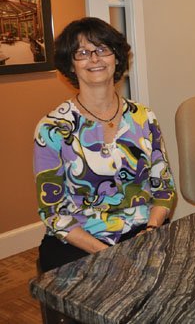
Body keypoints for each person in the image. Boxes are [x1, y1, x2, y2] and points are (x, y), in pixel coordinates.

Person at [33, 17, 175, 272]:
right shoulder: (52, 128)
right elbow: (53, 211)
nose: (94, 59)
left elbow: (163, 188)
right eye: (82, 53)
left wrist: (153, 228)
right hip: (79, 238)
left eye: (102, 49)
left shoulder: (144, 117)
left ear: (117, 58)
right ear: (71, 66)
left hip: (143, 229)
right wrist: (108, 253)